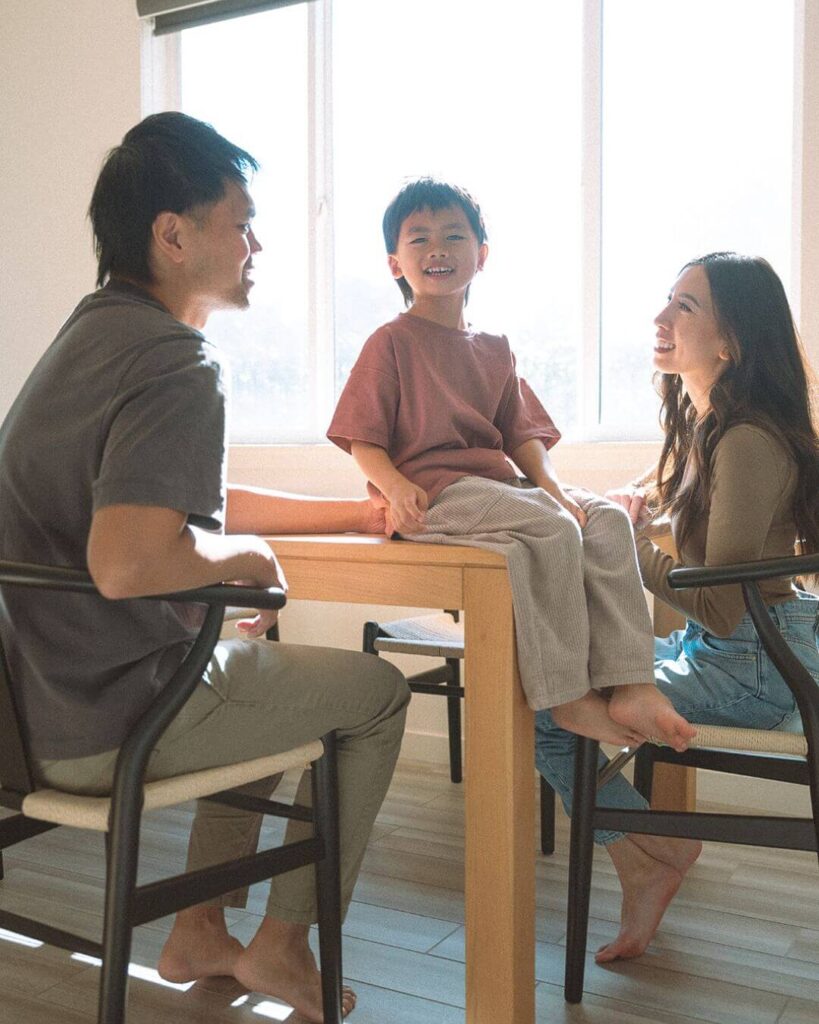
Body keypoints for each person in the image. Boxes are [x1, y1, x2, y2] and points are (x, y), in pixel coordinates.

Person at [0, 112, 411, 1023]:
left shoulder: (86, 343)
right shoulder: (176, 362)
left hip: (34, 717)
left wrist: (345, 512)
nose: (256, 243)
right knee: (375, 696)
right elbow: (127, 559)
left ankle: (197, 931)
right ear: (172, 235)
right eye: (242, 221)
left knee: (266, 677)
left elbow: (178, 499)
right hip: (116, 724)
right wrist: (248, 561)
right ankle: (281, 946)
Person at [327, 176, 696, 751]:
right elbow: (362, 439)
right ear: (395, 264)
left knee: (602, 517)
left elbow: (522, 435)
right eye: (418, 239)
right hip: (434, 494)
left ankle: (630, 682)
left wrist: (553, 486)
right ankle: (568, 695)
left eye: (453, 235)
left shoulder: (494, 347)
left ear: (482, 255)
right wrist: (395, 487)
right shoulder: (389, 343)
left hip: (499, 486)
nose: (437, 249)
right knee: (550, 527)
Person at [536, 251, 819, 964]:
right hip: (730, 652)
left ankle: (653, 857)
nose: (659, 318)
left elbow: (721, 605)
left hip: (754, 663)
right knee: (546, 684)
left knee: (546, 705)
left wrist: (629, 547)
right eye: (665, 300)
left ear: (730, 340)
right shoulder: (705, 429)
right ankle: (653, 854)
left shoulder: (747, 439)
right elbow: (636, 510)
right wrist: (618, 520)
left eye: (683, 307)